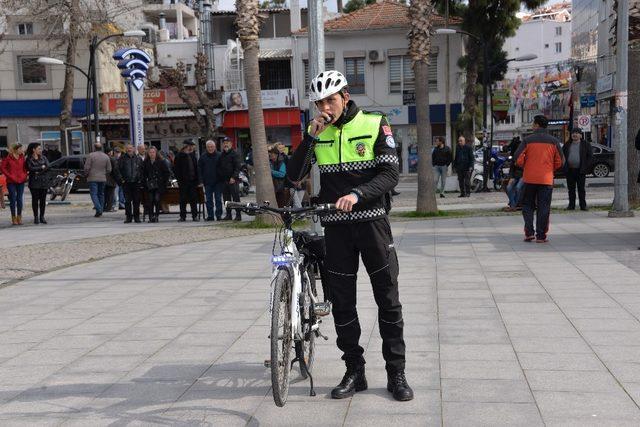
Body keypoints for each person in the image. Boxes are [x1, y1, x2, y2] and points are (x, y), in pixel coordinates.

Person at [287, 70, 413, 402]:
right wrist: (310, 137)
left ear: (345, 97)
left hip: (372, 225)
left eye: (330, 100)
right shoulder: (319, 132)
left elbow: (390, 174)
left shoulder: (374, 123)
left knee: (387, 300)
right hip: (337, 230)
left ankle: (396, 373)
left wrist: (358, 194)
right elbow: (294, 177)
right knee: (343, 304)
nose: (325, 107)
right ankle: (354, 371)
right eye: (319, 102)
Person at [515, 114, 564, 243]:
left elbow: (517, 157)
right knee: (544, 207)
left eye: (533, 124)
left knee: (527, 205)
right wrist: (550, 169)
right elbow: (561, 161)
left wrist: (526, 166)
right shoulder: (554, 141)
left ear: (536, 125)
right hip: (546, 179)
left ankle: (529, 233)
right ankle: (541, 236)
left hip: (529, 178)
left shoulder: (527, 140)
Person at [563, 129, 593, 211]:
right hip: (569, 170)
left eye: (576, 133)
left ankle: (583, 206)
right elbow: (562, 156)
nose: (574, 135)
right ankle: (571, 206)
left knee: (581, 189)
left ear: (580, 135)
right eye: (573, 133)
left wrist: (586, 166)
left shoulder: (585, 144)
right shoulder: (567, 144)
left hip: (581, 170)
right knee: (571, 189)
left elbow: (590, 156)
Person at [1, 143, 28, 225]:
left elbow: (25, 168)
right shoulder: (8, 158)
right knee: (12, 199)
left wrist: (25, 175)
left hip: (21, 181)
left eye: (21, 149)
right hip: (11, 181)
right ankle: (13, 217)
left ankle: (19, 217)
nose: (21, 150)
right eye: (20, 149)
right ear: (15, 149)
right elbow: (2, 167)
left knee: (19, 199)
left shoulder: (22, 157)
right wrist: (9, 176)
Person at [174, 140, 200, 222]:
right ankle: (182, 216)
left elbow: (196, 168)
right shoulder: (179, 156)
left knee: (193, 199)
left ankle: (194, 216)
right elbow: (176, 170)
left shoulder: (193, 155)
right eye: (191, 146)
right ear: (187, 146)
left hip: (192, 181)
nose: (192, 148)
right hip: (183, 182)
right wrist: (179, 180)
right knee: (183, 199)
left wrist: (197, 180)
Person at [84, 142, 112, 218]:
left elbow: (87, 167)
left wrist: (86, 174)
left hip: (92, 178)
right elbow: (109, 169)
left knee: (94, 194)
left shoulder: (91, 156)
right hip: (103, 178)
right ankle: (100, 210)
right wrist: (103, 173)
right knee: (101, 194)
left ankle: (99, 209)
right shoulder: (106, 156)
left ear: (94, 148)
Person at [143, 147, 170, 223]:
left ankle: (156, 216)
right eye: (150, 152)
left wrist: (164, 182)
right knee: (150, 200)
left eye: (153, 152)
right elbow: (143, 173)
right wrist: (145, 181)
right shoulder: (146, 162)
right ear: (148, 154)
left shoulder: (161, 161)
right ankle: (151, 216)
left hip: (159, 185)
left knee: (157, 199)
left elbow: (167, 172)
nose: (152, 154)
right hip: (149, 185)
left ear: (156, 153)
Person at [118, 144, 143, 223]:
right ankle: (128, 217)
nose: (129, 149)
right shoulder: (122, 158)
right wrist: (121, 180)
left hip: (136, 183)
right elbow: (117, 170)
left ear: (134, 149)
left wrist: (140, 179)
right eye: (128, 148)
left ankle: (137, 217)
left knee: (136, 201)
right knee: (127, 201)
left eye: (131, 148)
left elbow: (142, 170)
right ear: (125, 149)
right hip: (126, 183)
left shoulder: (138, 158)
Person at [218, 138, 242, 221]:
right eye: (224, 143)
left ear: (231, 144)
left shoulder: (234, 154)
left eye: (227, 143)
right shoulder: (221, 155)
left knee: (236, 198)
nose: (225, 145)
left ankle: (238, 215)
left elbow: (238, 167)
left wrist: (233, 177)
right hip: (224, 180)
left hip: (233, 180)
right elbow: (219, 167)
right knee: (226, 199)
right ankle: (228, 215)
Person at [198, 140, 223, 221]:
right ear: (206, 148)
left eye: (212, 147)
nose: (210, 148)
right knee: (208, 200)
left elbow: (224, 168)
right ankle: (210, 216)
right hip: (207, 182)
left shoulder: (220, 155)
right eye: (208, 147)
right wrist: (201, 181)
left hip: (218, 182)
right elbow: (199, 170)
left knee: (218, 200)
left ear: (215, 147)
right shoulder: (203, 157)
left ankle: (218, 215)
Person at [25, 143, 50, 224]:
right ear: (34, 150)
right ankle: (36, 217)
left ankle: (42, 217)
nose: (40, 150)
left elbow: (48, 167)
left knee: (43, 200)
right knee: (35, 200)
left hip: (43, 182)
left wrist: (38, 170)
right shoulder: (29, 158)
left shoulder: (44, 157)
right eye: (39, 148)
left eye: (40, 148)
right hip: (34, 182)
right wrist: (41, 167)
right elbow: (30, 168)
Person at [104, 148, 122, 213]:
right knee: (111, 194)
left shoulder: (103, 159)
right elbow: (115, 170)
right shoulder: (112, 159)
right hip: (111, 179)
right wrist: (119, 179)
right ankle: (109, 207)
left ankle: (104, 207)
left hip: (103, 179)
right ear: (110, 152)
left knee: (105, 194)